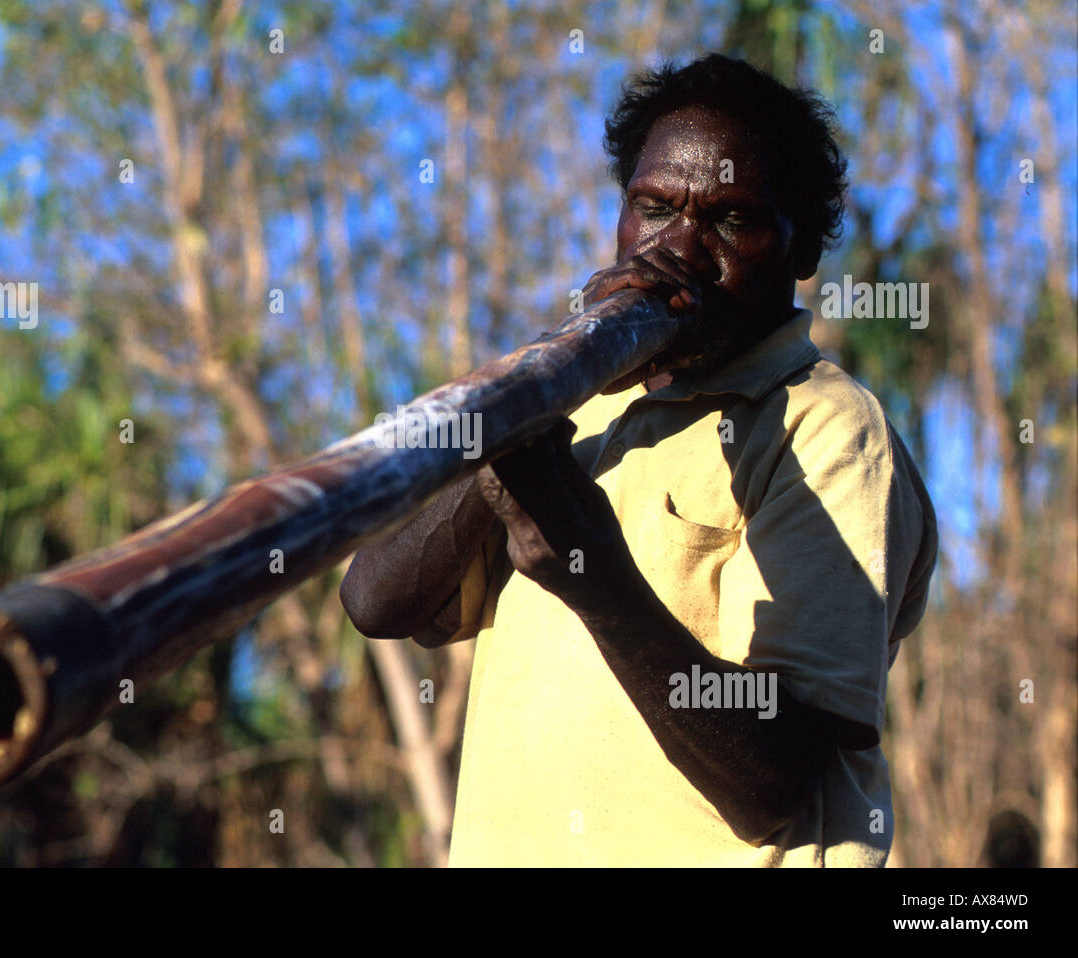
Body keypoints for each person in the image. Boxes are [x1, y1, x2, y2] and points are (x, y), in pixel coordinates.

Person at [340, 53, 938, 867]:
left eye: (731, 219)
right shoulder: (576, 401)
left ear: (800, 253)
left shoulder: (828, 429)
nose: (682, 249)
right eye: (655, 207)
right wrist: (544, 385)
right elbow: (377, 601)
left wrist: (595, 581)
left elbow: (777, 782)